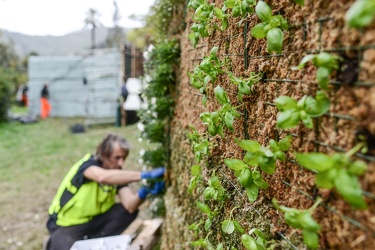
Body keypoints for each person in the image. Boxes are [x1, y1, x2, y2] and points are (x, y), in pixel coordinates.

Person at [45, 134, 165, 250]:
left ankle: (94, 240)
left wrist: (144, 192)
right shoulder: (88, 165)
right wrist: (145, 175)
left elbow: (130, 206)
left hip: (95, 220)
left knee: (125, 212)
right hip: (68, 223)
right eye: (117, 158)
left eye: (124, 158)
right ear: (104, 155)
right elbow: (102, 177)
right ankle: (54, 242)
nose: (121, 163)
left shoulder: (116, 173)